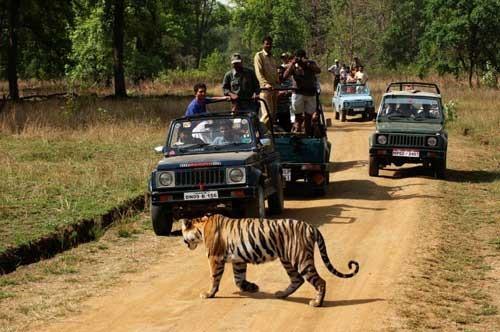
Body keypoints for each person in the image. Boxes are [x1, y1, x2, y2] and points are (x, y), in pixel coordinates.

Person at [283, 49, 321, 136]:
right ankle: (298, 136)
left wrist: (307, 64)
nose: (300, 59)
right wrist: (292, 64)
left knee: (308, 118)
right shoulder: (293, 65)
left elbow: (318, 70)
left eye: (302, 57)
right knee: (298, 118)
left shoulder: (311, 63)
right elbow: (284, 76)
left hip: (310, 94)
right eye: (298, 57)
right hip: (298, 93)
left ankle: (307, 136)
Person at [254, 36, 279, 127]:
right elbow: (258, 73)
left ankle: (270, 135)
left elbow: (275, 73)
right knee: (267, 114)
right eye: (267, 43)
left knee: (273, 115)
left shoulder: (273, 57)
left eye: (270, 44)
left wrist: (278, 83)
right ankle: (259, 132)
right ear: (263, 44)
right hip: (265, 89)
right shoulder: (259, 56)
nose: (269, 45)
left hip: (274, 89)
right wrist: (265, 84)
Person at [276, 53, 293, 132]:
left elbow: (292, 89)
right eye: (278, 73)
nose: (279, 74)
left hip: (286, 108)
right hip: (275, 109)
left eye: (281, 73)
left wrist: (285, 92)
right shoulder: (273, 82)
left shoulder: (288, 81)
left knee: (287, 128)